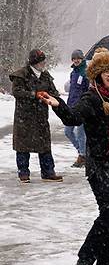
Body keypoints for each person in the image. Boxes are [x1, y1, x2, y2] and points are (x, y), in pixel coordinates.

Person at [40, 49, 109, 265]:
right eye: (107, 72)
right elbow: (73, 117)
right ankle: (85, 258)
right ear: (98, 74)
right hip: (101, 166)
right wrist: (58, 104)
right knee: (108, 213)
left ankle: (106, 262)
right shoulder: (92, 98)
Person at [9, 49, 63, 183]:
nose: (43, 64)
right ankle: (23, 173)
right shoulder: (21, 75)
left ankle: (48, 172)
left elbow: (54, 92)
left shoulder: (45, 75)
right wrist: (34, 94)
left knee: (45, 145)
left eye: (44, 61)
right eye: (41, 61)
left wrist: (49, 96)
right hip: (24, 117)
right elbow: (17, 92)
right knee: (23, 146)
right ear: (34, 62)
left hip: (41, 117)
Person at [65, 49, 89, 168]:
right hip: (71, 106)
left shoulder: (86, 73)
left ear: (82, 59)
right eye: (74, 59)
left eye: (78, 58)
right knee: (68, 131)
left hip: (82, 107)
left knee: (80, 133)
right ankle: (83, 152)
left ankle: (83, 156)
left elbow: (88, 90)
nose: (76, 60)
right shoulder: (73, 73)